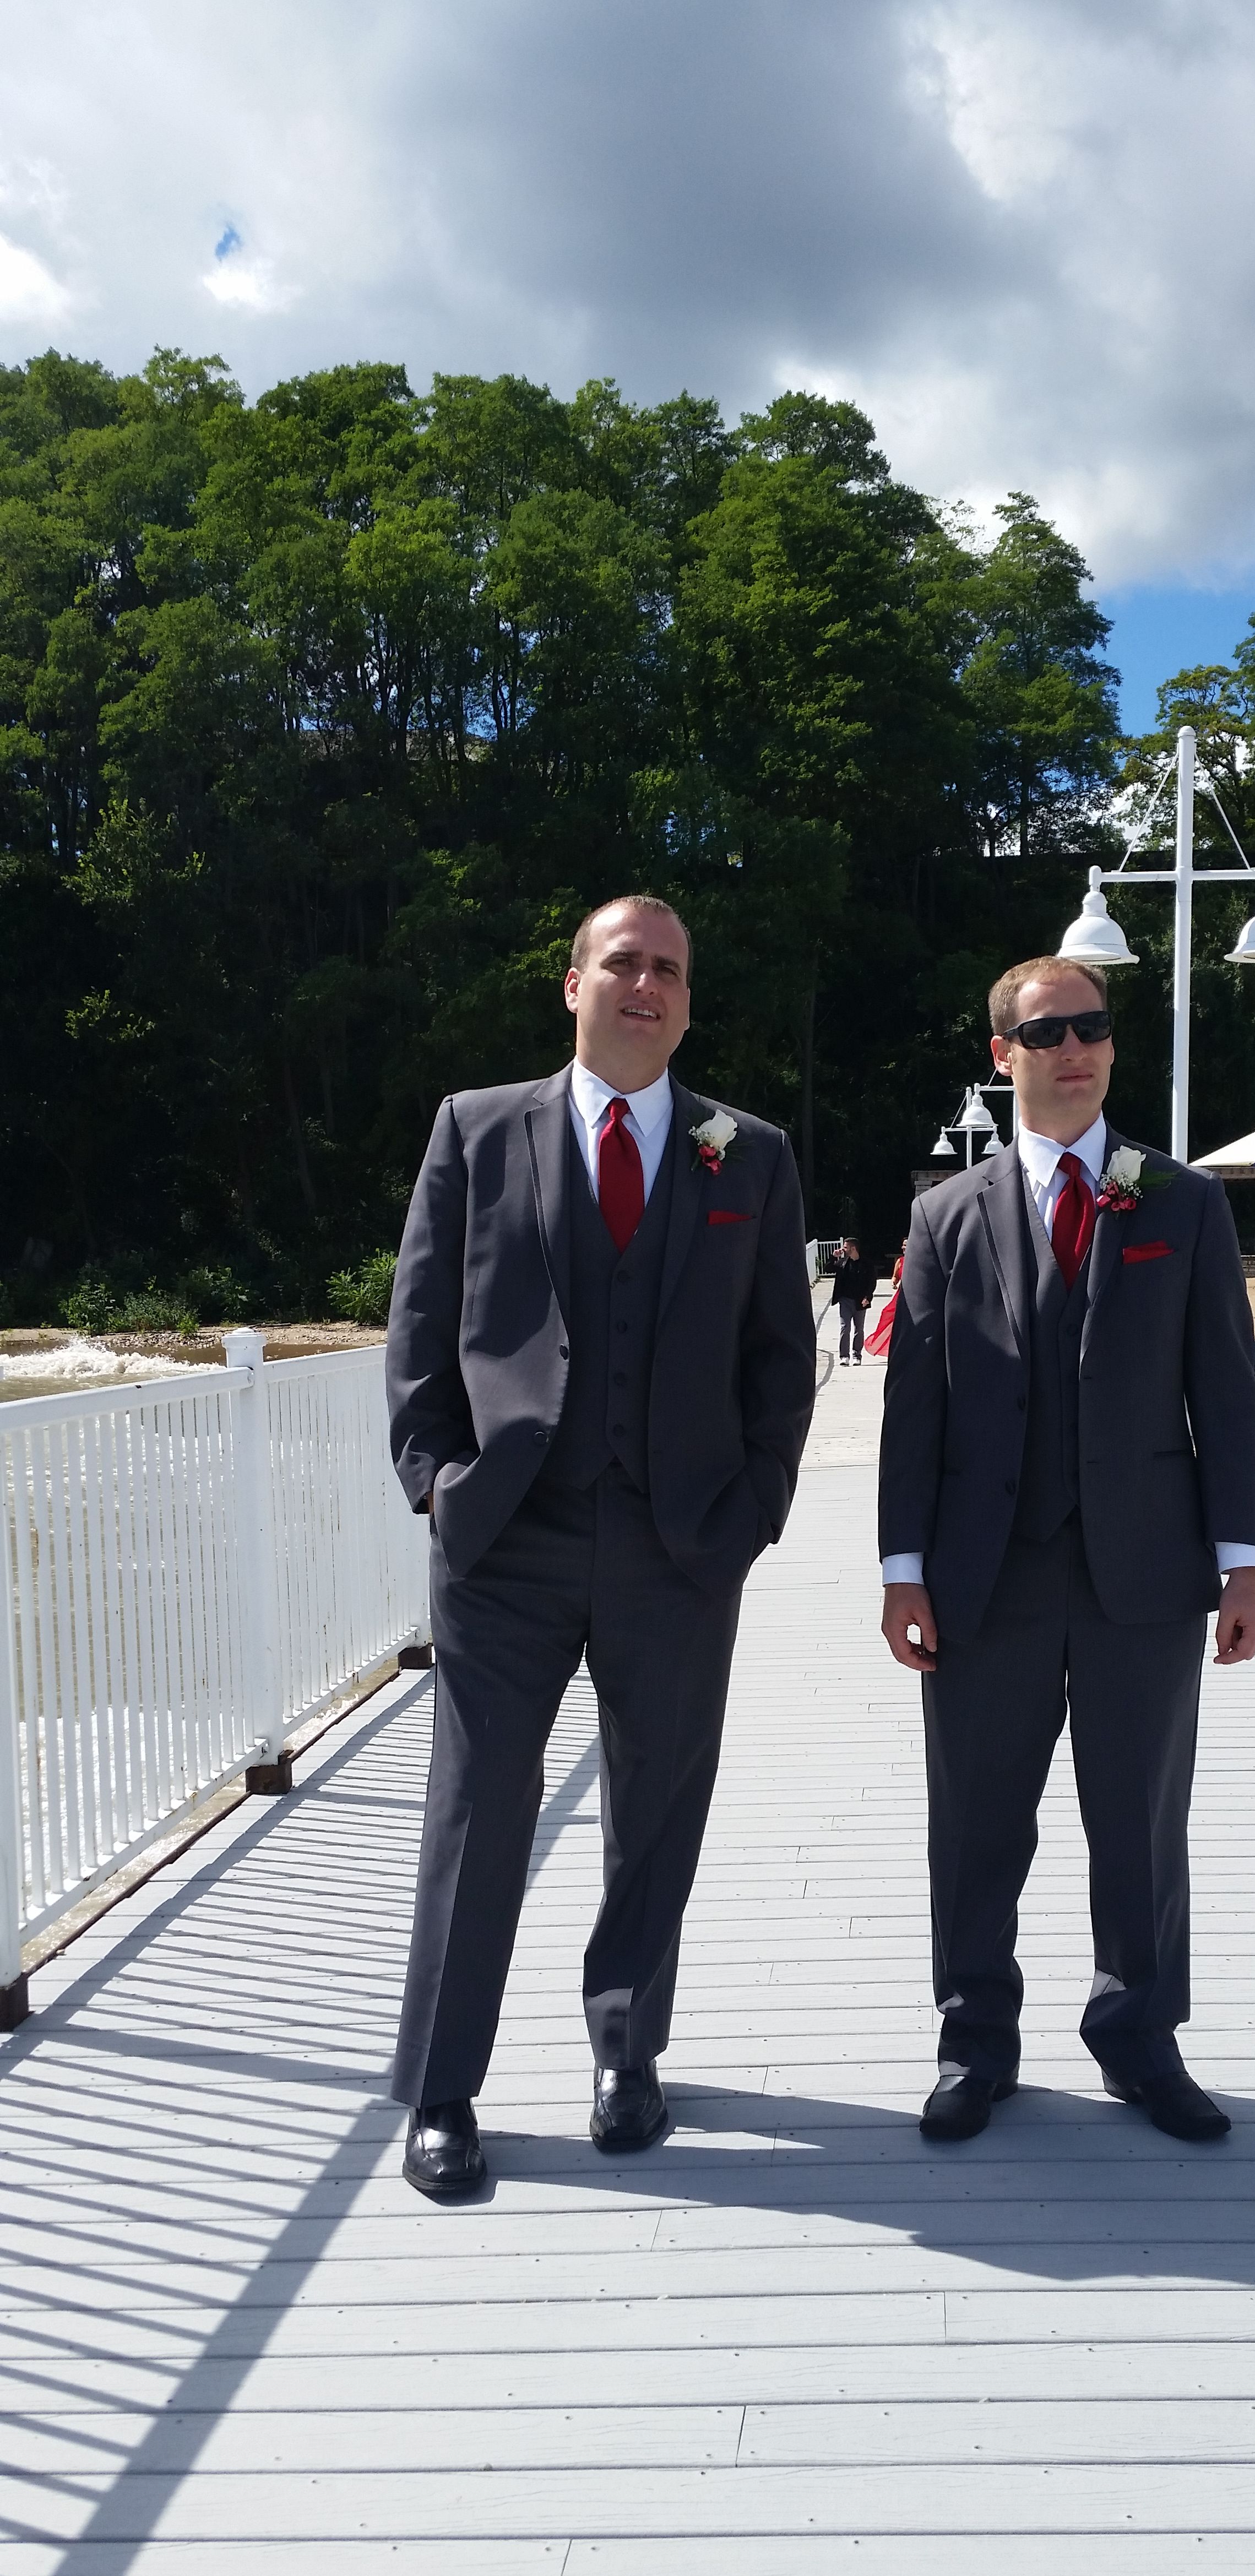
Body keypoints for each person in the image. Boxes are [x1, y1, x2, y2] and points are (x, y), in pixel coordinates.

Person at [385, 894, 816, 2197]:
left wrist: (752, 1509)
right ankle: (444, 2088)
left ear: (686, 1000)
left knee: (657, 1808)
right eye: (622, 961)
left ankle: (628, 2053)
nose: (645, 982)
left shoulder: (747, 1152)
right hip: (505, 1538)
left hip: (679, 1545)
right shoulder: (476, 1126)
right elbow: (421, 1316)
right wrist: (435, 1481)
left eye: (668, 968)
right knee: (477, 1808)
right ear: (571, 983)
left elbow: (779, 1359)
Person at [877, 955, 1255, 2145]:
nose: (1075, 1049)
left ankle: (1139, 2038)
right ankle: (974, 2040)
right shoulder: (946, 1215)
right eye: (1048, 1032)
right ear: (1004, 1054)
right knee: (976, 1823)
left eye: (1092, 1027)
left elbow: (1224, 1392)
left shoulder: (1181, 1202)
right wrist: (902, 1571)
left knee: (1140, 1823)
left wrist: (1243, 1561)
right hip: (983, 1572)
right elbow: (915, 1408)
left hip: (1143, 1571)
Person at [831, 1237, 877, 1362]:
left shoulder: (867, 1264)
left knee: (859, 1329)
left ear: (853, 1248)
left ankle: (857, 1355)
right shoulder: (843, 1263)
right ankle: (844, 1356)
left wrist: (868, 1297)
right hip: (845, 1301)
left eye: (845, 1247)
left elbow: (872, 1282)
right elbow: (828, 1269)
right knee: (845, 1328)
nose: (843, 1249)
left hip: (860, 1301)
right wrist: (834, 1257)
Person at [863, 1241, 906, 1358]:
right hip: (902, 1294)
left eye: (906, 1245)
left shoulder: (918, 1260)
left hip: (915, 1295)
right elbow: (895, 1277)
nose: (903, 1247)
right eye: (903, 1245)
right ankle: (882, 1343)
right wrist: (894, 1283)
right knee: (888, 1314)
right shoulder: (900, 1261)